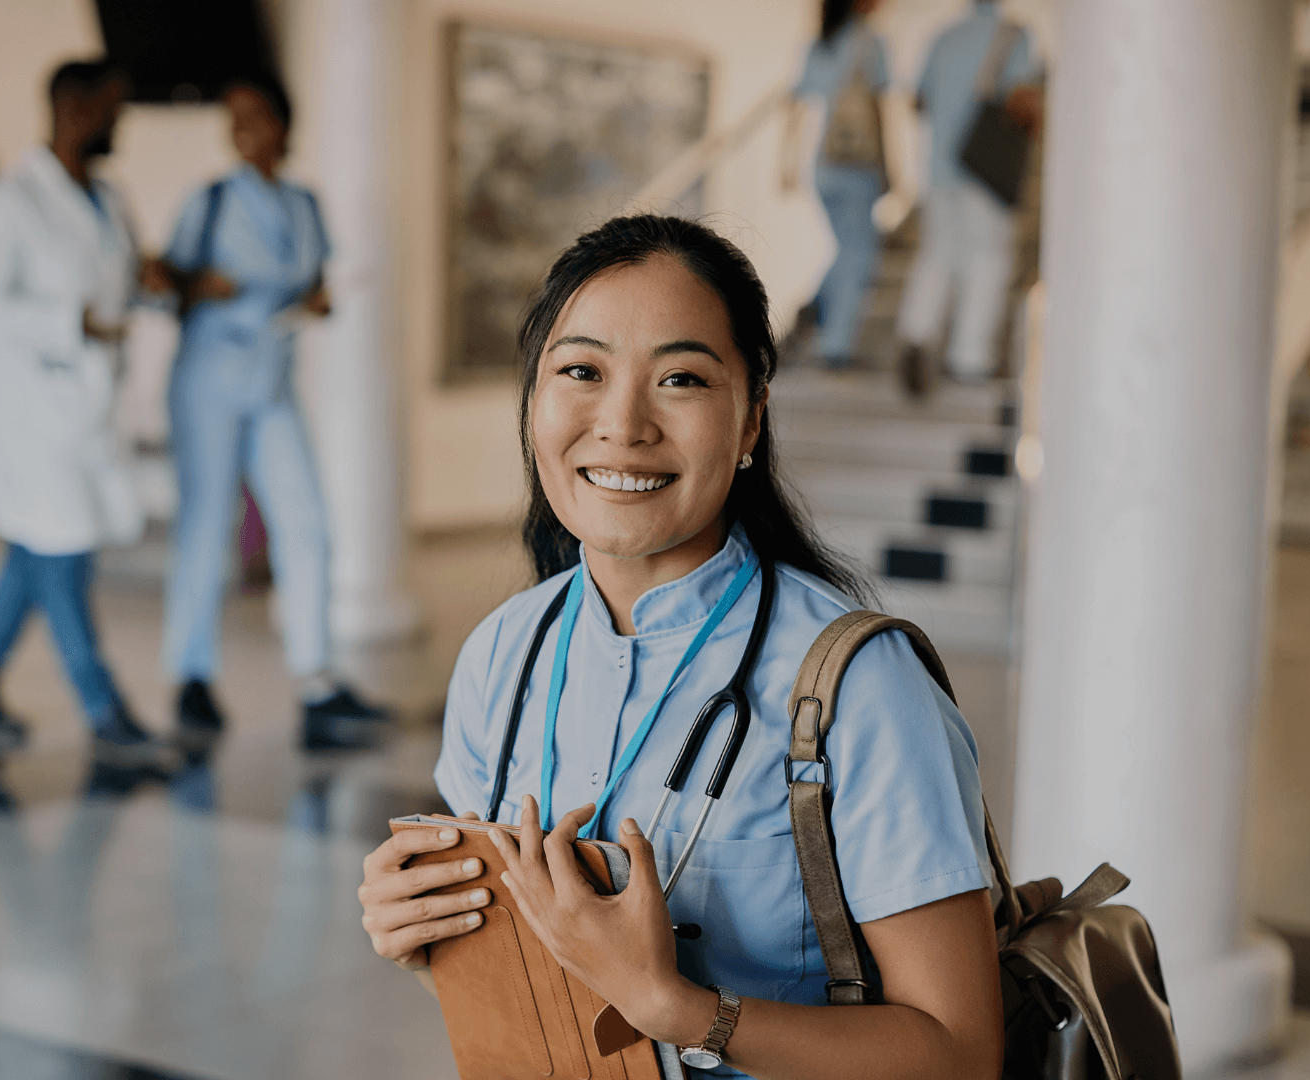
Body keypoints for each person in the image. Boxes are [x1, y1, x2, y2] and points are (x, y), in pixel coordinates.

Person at [359, 216, 1001, 1078]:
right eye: (581, 371)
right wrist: (427, 939)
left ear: (749, 424)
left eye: (682, 379)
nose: (622, 424)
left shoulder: (859, 688)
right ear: (534, 401)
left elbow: (960, 1056)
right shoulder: (503, 656)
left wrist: (681, 1010)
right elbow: (525, 990)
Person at [0, 60, 166, 766]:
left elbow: (124, 282)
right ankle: (103, 709)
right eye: (112, 111)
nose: (120, 125)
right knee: (62, 553)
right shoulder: (5, 204)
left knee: (33, 548)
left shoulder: (107, 197)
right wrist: (74, 321)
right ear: (74, 111)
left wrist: (155, 284)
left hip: (88, 409)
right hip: (30, 416)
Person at [160, 80, 387, 750]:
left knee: (308, 523)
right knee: (207, 525)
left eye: (256, 118)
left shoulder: (303, 203)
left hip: (272, 382)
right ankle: (192, 676)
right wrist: (200, 284)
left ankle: (317, 682)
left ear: (285, 128)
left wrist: (321, 299)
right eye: (234, 120)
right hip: (209, 378)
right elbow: (166, 283)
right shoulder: (209, 202)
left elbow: (320, 281)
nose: (243, 131)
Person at [895, 0, 1042, 395]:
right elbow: (1022, 101)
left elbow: (919, 102)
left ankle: (917, 332)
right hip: (987, 170)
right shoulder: (1015, 36)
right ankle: (969, 359)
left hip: (941, 168)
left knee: (939, 253)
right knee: (989, 258)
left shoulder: (942, 36)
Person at [781, 0, 890, 370]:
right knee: (861, 253)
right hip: (857, 165)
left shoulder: (819, 43)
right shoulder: (870, 43)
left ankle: (815, 308)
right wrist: (890, 166)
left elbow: (795, 105)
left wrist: (785, 164)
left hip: (822, 164)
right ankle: (836, 346)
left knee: (847, 248)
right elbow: (877, 110)